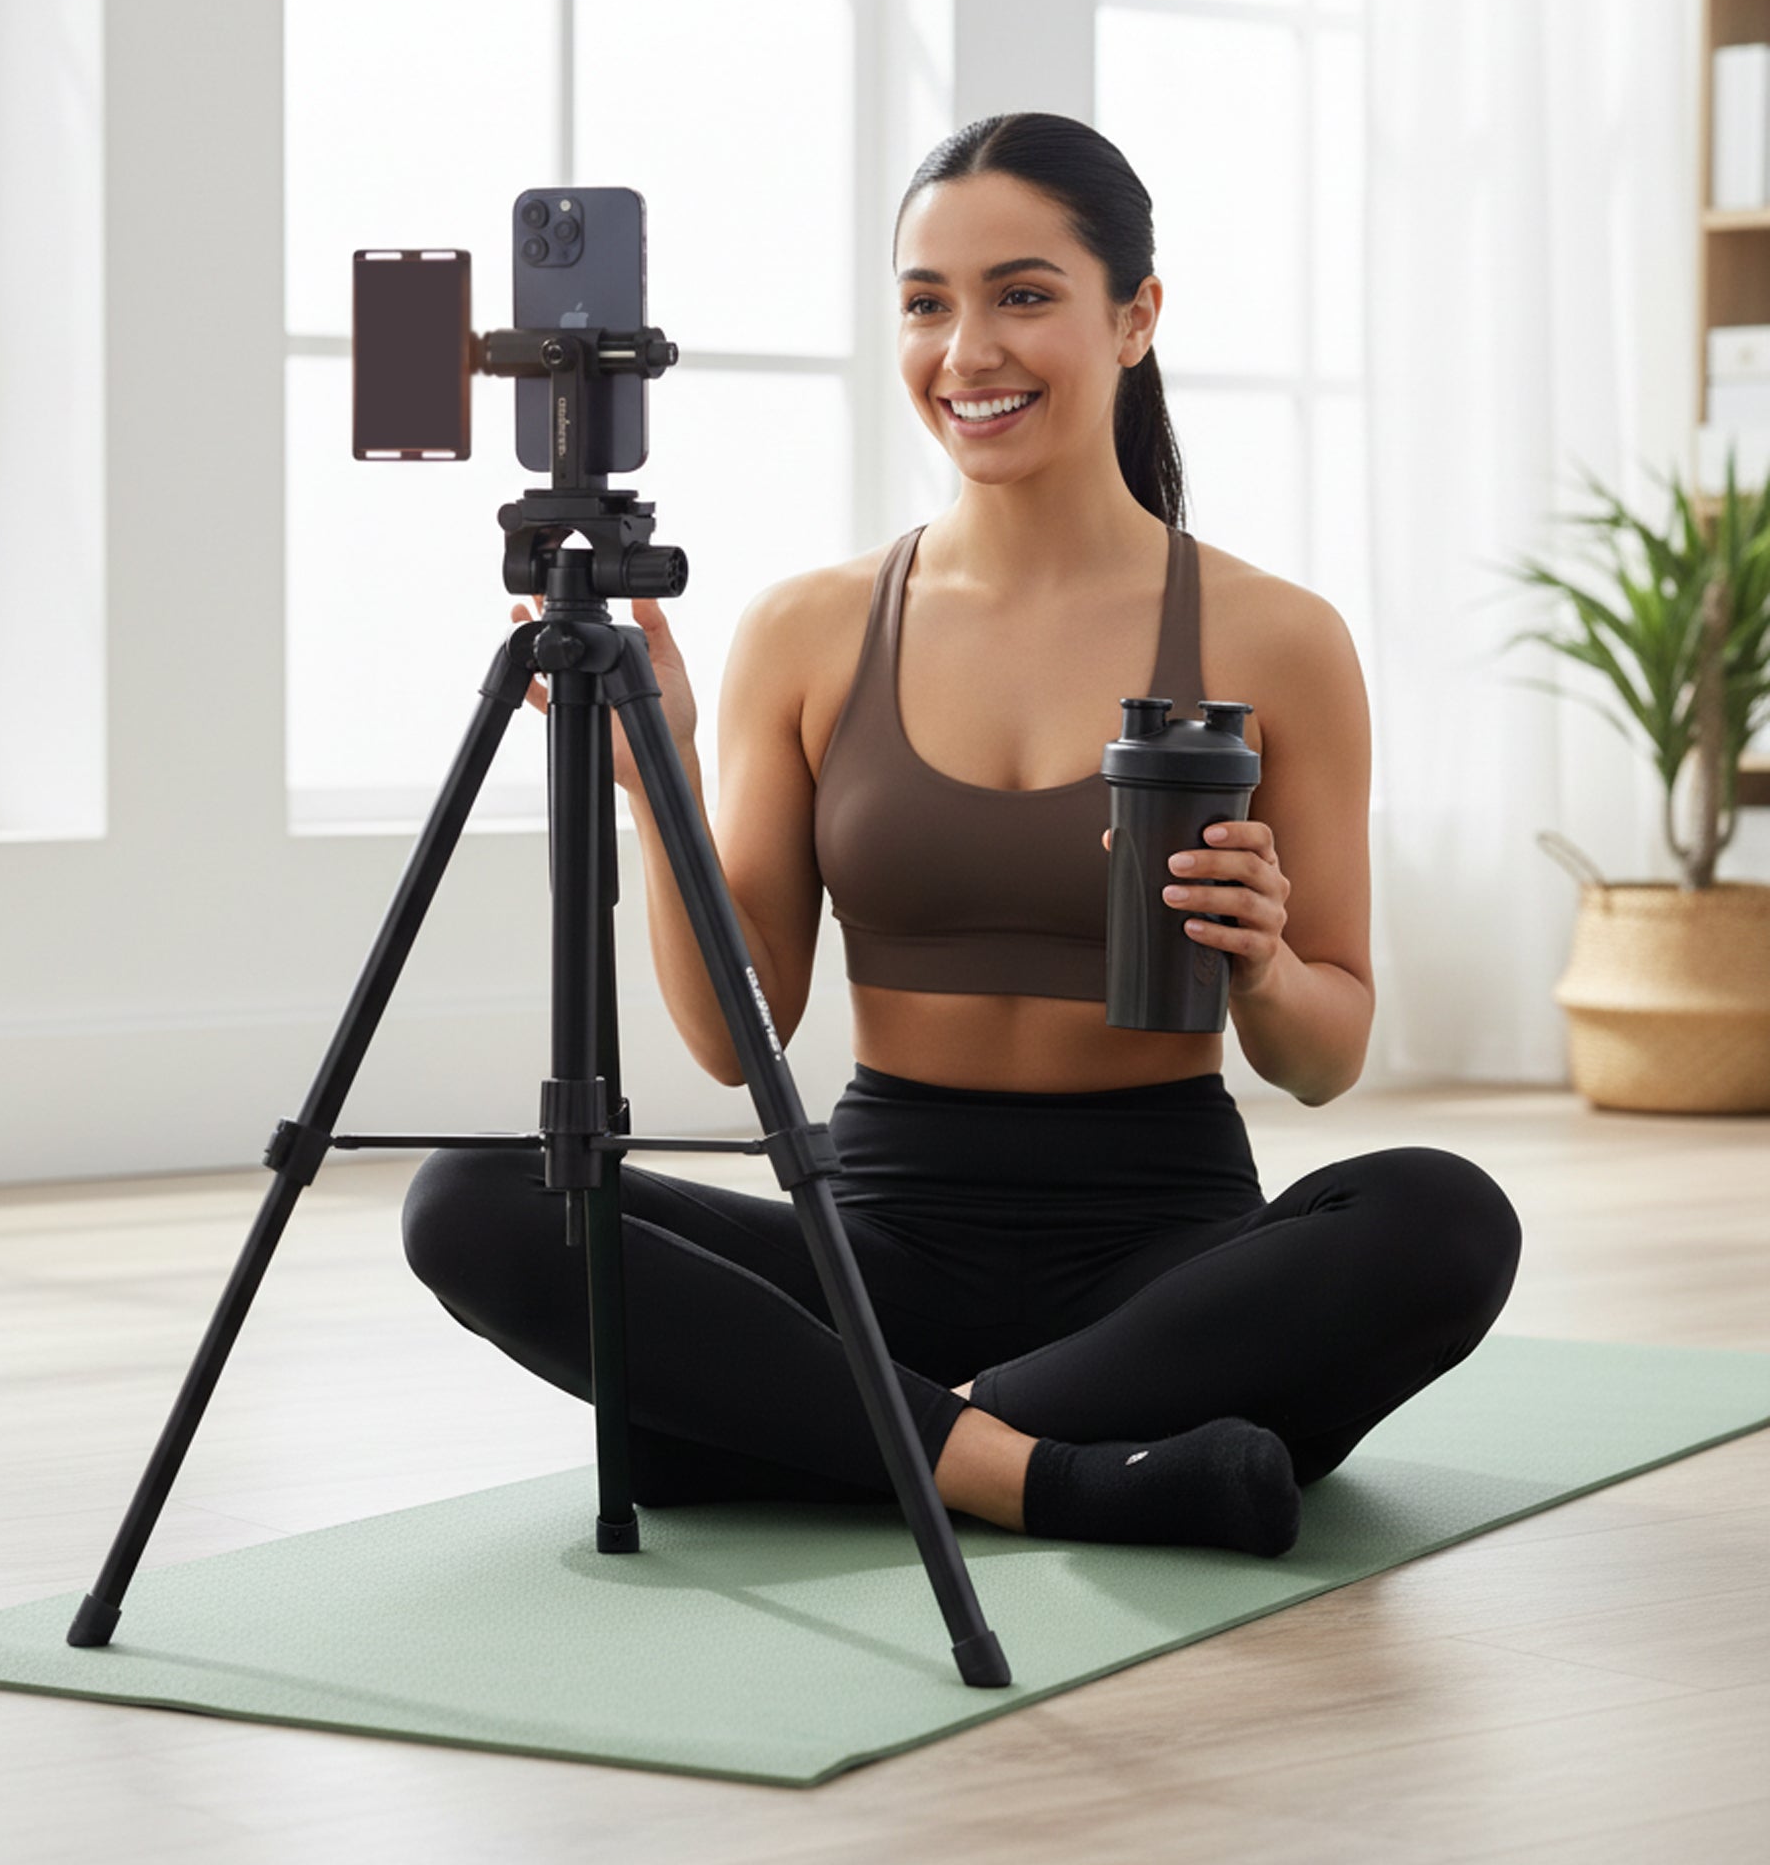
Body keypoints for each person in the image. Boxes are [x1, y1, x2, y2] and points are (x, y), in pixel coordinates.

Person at [402, 113, 1522, 1558]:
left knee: (1443, 1218)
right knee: (474, 1199)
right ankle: (1048, 1471)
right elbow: (742, 1043)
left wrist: (1260, 966)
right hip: (871, 1230)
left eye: (1024, 294)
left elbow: (1325, 1058)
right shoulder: (807, 629)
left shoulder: (1280, 638)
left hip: (1162, 1250)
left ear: (1137, 319)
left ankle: (836, 1432)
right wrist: (656, 782)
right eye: (928, 303)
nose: (967, 350)